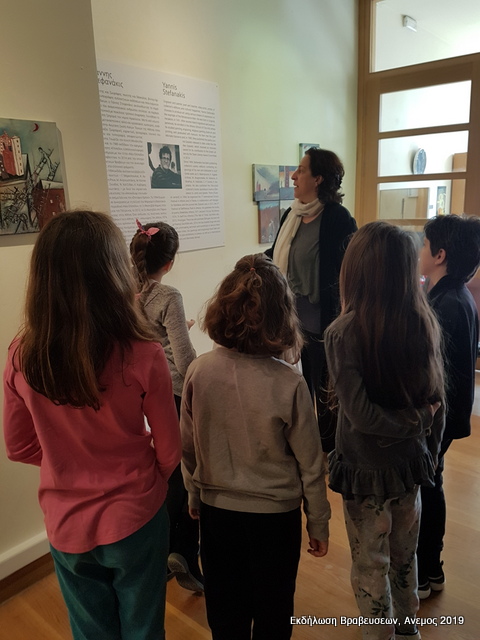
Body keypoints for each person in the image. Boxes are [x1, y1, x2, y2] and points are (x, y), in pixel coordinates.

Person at [3, 210, 181, 640]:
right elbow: (170, 450)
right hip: (136, 514)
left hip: (65, 521)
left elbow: (18, 447)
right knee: (144, 627)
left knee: (90, 631)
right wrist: (142, 479)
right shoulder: (144, 352)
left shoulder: (21, 355)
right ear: (114, 271)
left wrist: (68, 462)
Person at [181, 253, 331, 640]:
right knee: (273, 612)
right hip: (275, 520)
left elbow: (189, 447)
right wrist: (318, 521)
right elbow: (311, 464)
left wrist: (194, 494)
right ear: (282, 318)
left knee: (225, 612)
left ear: (222, 308)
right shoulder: (290, 383)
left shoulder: (199, 371)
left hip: (217, 513)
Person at [324, 222, 445, 640]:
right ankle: (408, 631)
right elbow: (436, 405)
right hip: (409, 466)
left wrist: (423, 428)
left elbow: (361, 417)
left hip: (366, 472)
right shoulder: (422, 320)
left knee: (371, 566)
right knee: (404, 559)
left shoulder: (342, 333)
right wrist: (427, 442)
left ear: (354, 270)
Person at [265, 147, 357, 452]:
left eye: (301, 170)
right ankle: (308, 443)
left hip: (324, 322)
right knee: (299, 387)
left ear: (318, 179)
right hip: (291, 319)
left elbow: (349, 268)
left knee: (326, 391)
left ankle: (330, 449)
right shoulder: (291, 215)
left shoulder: (337, 218)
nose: (293, 176)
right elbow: (276, 254)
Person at [130, 219, 203, 592]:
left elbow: (143, 338)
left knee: (163, 470)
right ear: (170, 262)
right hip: (172, 391)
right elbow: (185, 360)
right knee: (186, 472)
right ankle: (184, 550)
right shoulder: (169, 296)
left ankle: (163, 553)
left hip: (138, 392)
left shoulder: (123, 290)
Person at [417, 214, 480, 599]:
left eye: (425, 246)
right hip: (447, 414)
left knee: (427, 486)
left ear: (439, 255)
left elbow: (431, 374)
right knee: (432, 482)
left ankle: (425, 571)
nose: (420, 252)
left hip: (439, 416)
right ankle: (431, 569)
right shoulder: (455, 295)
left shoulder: (447, 304)